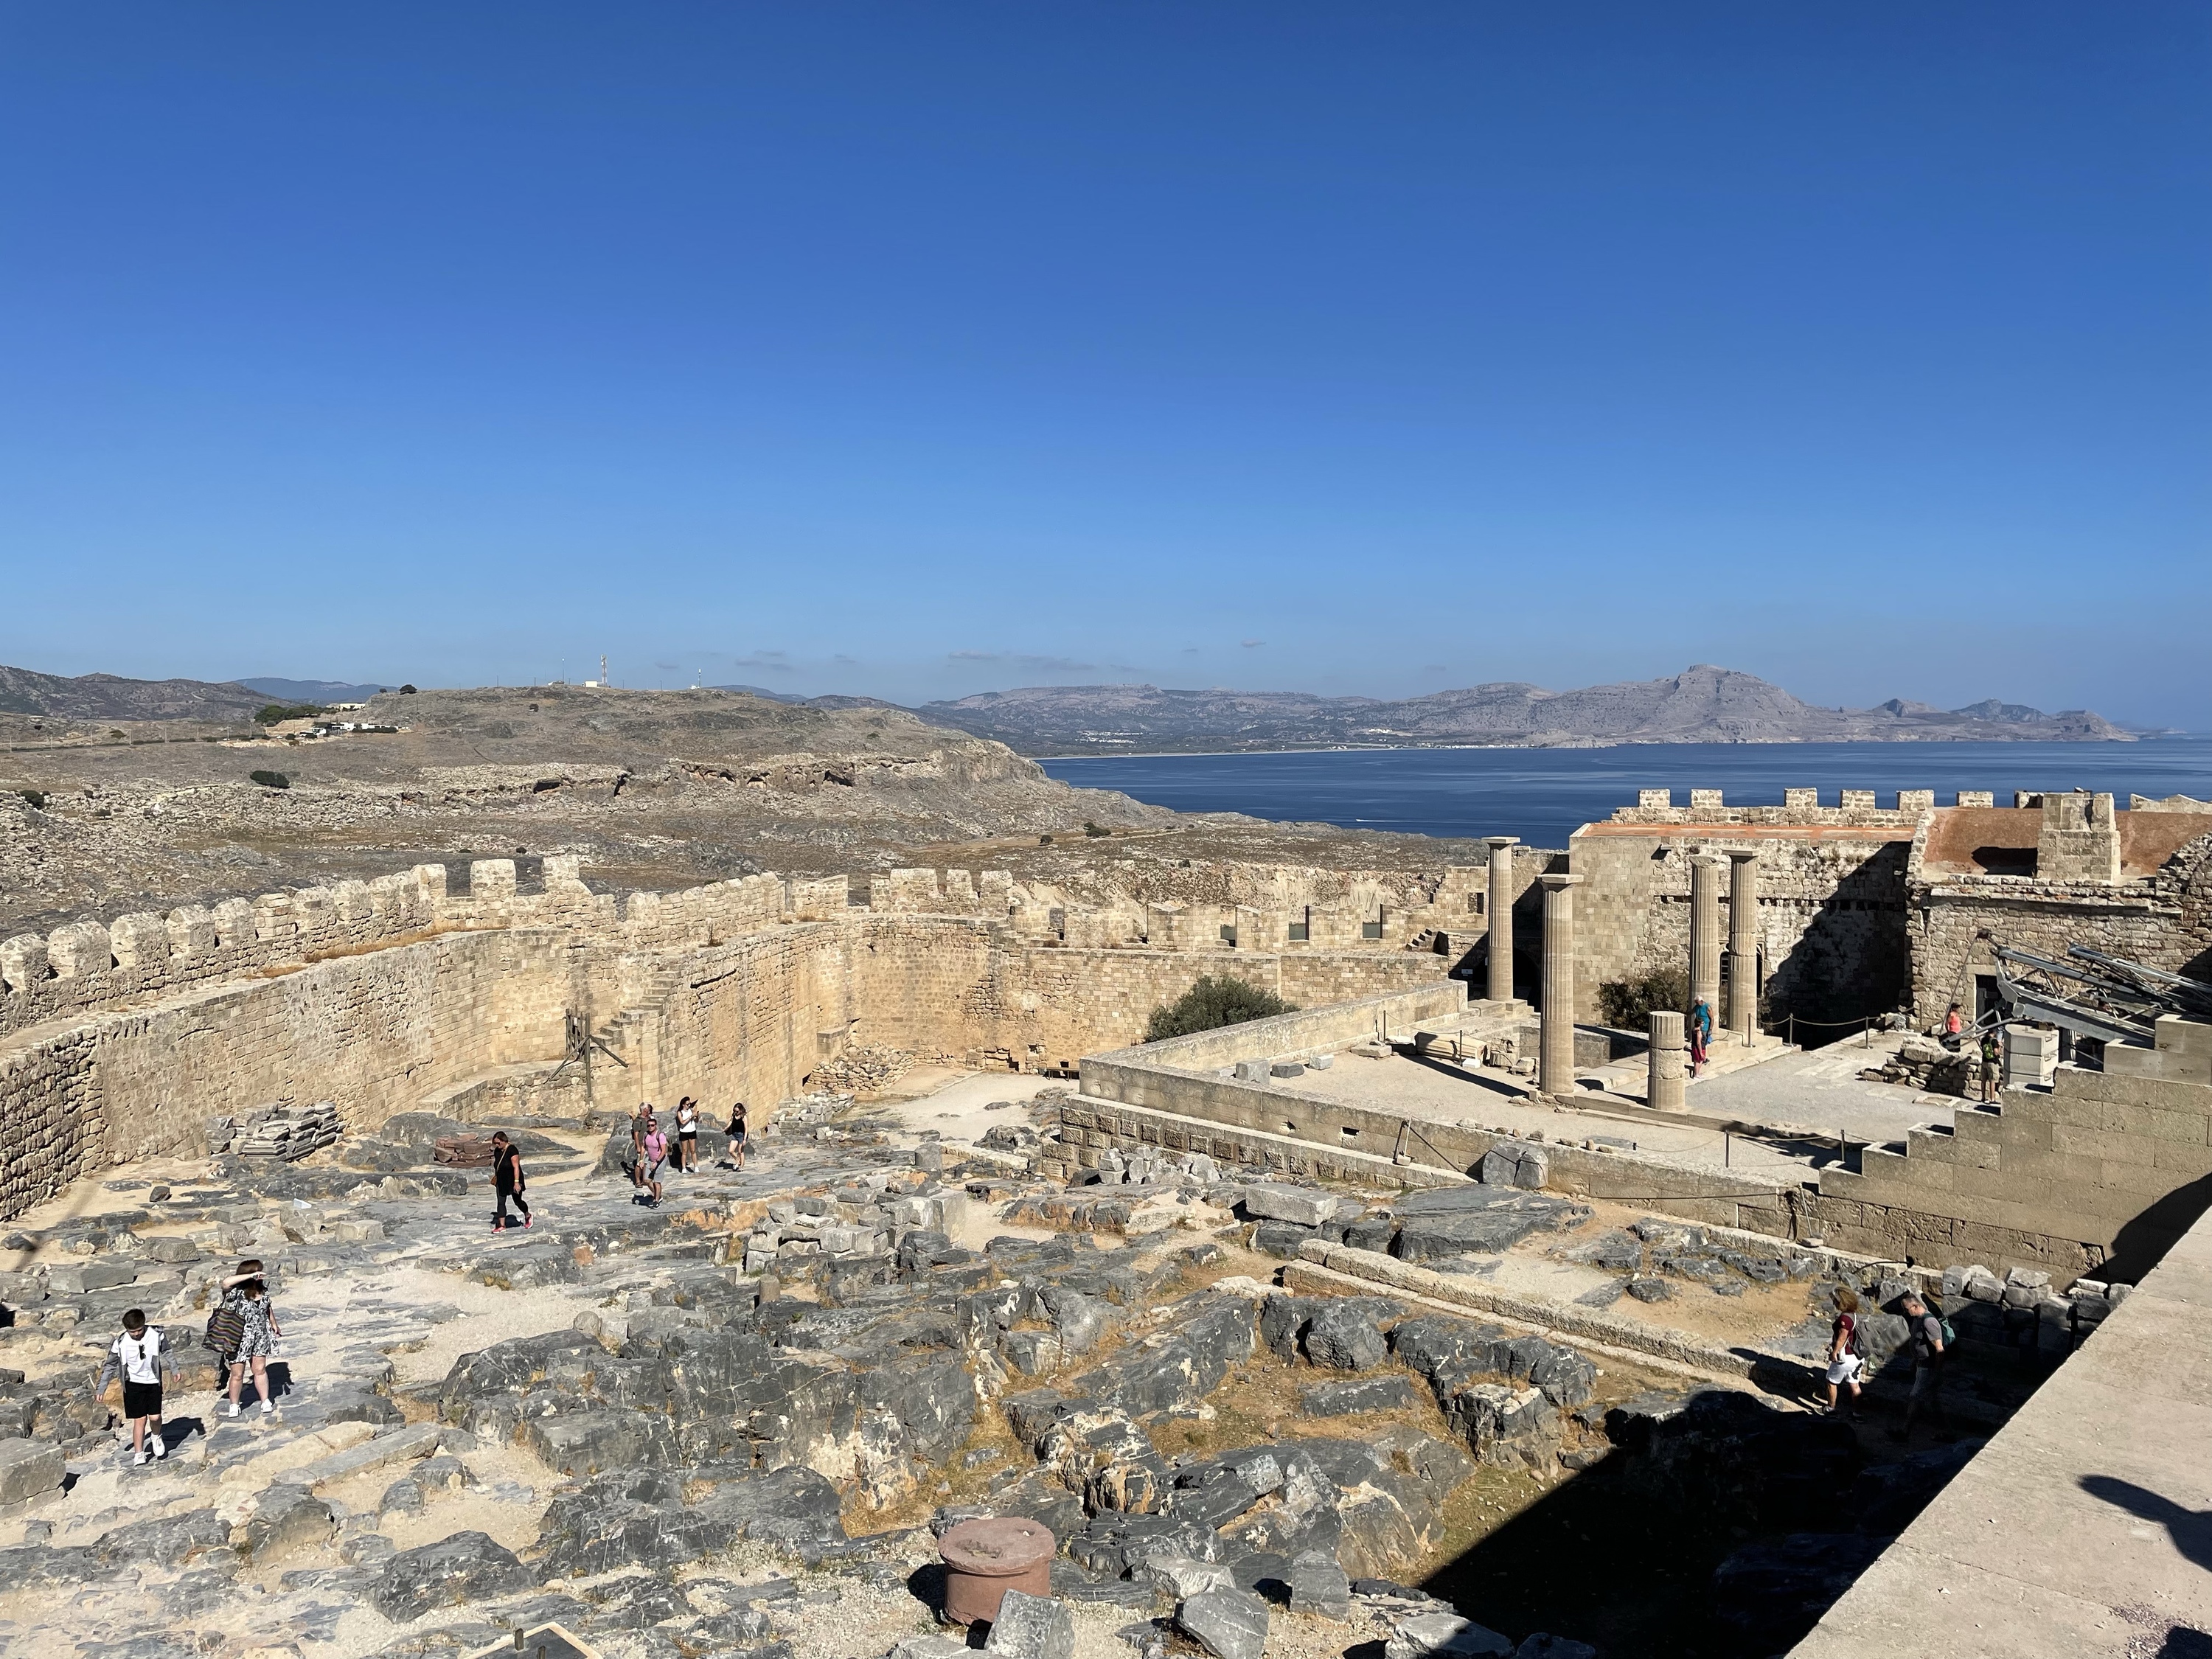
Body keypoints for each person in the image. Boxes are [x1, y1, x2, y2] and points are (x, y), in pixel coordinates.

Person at [97, 1308, 170, 1464]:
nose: (136, 1334)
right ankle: (139, 1453)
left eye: (138, 1330)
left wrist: (175, 1369)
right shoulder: (120, 1343)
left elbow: (168, 1352)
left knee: (155, 1417)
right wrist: (102, 1387)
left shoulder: (156, 1335)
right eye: (132, 1332)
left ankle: (156, 1436)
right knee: (140, 1419)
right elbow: (110, 1366)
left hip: (153, 1381)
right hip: (133, 1384)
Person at [220, 1269, 282, 1416]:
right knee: (237, 1374)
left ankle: (265, 1400)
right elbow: (225, 1283)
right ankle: (234, 1405)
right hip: (238, 1337)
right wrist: (249, 1276)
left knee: (260, 1370)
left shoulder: (263, 1290)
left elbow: (267, 1307)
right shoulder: (236, 1291)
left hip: (260, 1336)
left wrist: (273, 1323)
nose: (260, 1276)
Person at [1899, 1291, 1947, 1439]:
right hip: (1922, 1365)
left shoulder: (1929, 1322)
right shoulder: (1918, 1320)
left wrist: (1936, 1372)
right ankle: (1946, 1433)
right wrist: (1915, 1361)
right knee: (1933, 1401)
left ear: (1916, 1306)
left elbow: (1939, 1349)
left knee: (1915, 1397)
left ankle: (1904, 1432)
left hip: (1929, 1367)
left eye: (1907, 1309)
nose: (1905, 1312)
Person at [1821, 1288, 1863, 1419]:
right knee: (1855, 1386)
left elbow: (1842, 1338)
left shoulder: (1844, 1318)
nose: (1834, 1303)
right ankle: (1858, 1413)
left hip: (1846, 1357)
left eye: (1836, 1301)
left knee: (1831, 1381)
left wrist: (1834, 1352)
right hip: (1857, 1357)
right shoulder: (1854, 1315)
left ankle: (1830, 1408)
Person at [490, 1130, 531, 1231]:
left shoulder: (512, 1150)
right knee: (501, 1202)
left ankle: (527, 1214)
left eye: (498, 1143)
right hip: (502, 1180)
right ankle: (502, 1226)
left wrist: (516, 1182)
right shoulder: (497, 1151)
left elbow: (516, 1167)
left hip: (513, 1179)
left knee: (517, 1201)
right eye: (495, 1143)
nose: (497, 1145)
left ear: (504, 1141)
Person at [640, 1120, 668, 1207]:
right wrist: (641, 1160)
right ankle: (657, 1195)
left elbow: (664, 1151)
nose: (650, 1127)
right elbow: (644, 1147)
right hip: (651, 1159)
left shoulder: (660, 1135)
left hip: (661, 1160)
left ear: (656, 1125)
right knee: (646, 1180)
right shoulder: (646, 1135)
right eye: (649, 1126)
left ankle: (656, 1201)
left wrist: (657, 1162)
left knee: (657, 1181)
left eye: (652, 1125)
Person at [1688, 996, 1713, 1078]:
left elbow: (1712, 1018)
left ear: (1701, 1001)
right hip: (1699, 1026)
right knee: (1699, 1042)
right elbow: (1691, 1012)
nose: (1696, 1004)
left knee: (1703, 1042)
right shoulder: (1697, 1007)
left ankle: (1702, 1056)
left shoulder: (1707, 1007)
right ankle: (1701, 1056)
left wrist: (1710, 1029)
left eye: (1697, 1002)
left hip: (1705, 1028)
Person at [675, 1097, 699, 1173]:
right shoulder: (680, 1112)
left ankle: (696, 1166)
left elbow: (696, 1121)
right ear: (683, 1104)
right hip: (684, 1132)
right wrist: (691, 1117)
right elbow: (682, 1122)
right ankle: (684, 1168)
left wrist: (696, 1116)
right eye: (687, 1104)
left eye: (689, 1104)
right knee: (685, 1151)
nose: (689, 1105)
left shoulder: (691, 1110)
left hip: (692, 1131)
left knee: (693, 1150)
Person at [1980, 1026, 2002, 1102]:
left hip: (1984, 1062)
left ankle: (1983, 1097)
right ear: (1994, 1032)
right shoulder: (1994, 1041)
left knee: (1984, 1080)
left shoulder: (1983, 1040)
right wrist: (2000, 1047)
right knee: (1992, 1081)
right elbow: (1996, 1053)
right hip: (1992, 1063)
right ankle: (1992, 1098)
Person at [726, 1099, 748, 1171]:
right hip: (735, 1134)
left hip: (741, 1135)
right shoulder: (734, 1115)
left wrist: (745, 1139)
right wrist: (726, 1128)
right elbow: (731, 1121)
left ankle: (741, 1166)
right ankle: (738, 1160)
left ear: (741, 1110)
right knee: (731, 1150)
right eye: (735, 1111)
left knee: (740, 1151)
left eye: (737, 1111)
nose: (736, 1112)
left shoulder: (744, 1117)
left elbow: (746, 1128)